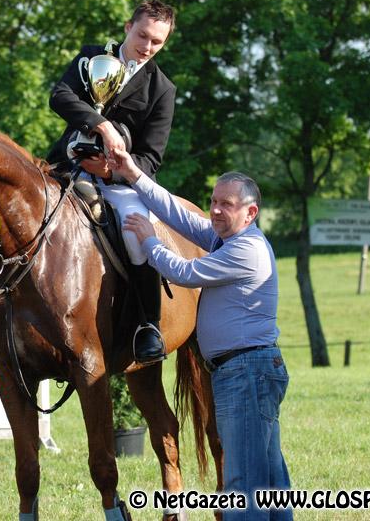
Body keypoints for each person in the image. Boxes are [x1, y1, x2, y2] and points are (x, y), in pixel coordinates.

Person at [110, 148, 292, 520]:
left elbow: (183, 272)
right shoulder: (226, 238)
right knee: (271, 479)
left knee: (244, 485)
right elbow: (178, 216)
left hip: (245, 373)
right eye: (213, 202)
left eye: (226, 204)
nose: (215, 210)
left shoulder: (246, 250)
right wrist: (134, 174)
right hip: (246, 370)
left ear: (250, 212)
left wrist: (148, 240)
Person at [45, 0, 177, 364]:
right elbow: (60, 97)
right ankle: (2, 311)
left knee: (138, 234)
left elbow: (151, 158)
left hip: (120, 184)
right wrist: (100, 124)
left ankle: (147, 324)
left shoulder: (162, 90)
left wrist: (111, 170)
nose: (147, 47)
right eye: (143, 36)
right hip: (66, 166)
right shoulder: (92, 57)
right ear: (127, 27)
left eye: (157, 42)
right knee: (18, 211)